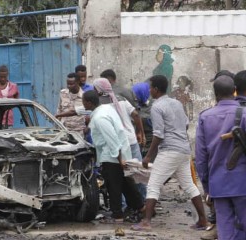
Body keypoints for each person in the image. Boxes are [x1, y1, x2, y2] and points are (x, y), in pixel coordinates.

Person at [132, 75, 207, 231]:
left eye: (151, 87)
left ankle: (146, 222)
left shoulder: (157, 107)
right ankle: (203, 221)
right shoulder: (177, 103)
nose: (150, 90)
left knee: (153, 185)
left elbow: (158, 134)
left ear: (156, 90)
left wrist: (148, 157)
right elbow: (185, 124)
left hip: (169, 150)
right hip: (184, 150)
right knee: (189, 186)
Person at [195, 75, 246, 240]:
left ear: (215, 94)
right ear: (234, 91)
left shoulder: (205, 117)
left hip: (218, 183)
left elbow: (201, 158)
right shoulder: (244, 114)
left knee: (225, 229)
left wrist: (206, 186)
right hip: (242, 181)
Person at [82, 90, 144, 222]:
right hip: (119, 153)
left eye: (84, 102)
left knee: (113, 186)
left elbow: (112, 140)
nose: (83, 105)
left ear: (88, 102)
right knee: (126, 184)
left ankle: (117, 215)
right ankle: (141, 207)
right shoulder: (106, 108)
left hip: (112, 156)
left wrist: (119, 158)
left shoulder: (100, 118)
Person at [56, 73, 86, 137]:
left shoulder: (84, 96)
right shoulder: (63, 93)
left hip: (78, 131)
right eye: (68, 84)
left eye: (71, 84)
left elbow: (88, 115)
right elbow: (59, 109)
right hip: (64, 130)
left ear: (78, 82)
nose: (69, 86)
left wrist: (86, 129)